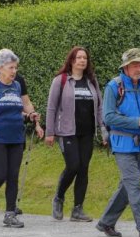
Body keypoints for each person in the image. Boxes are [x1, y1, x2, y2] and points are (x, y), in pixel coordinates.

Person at [97, 48, 140, 237]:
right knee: (134, 185)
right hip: (122, 144)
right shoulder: (113, 87)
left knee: (127, 186)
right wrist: (138, 122)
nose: (138, 68)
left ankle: (106, 222)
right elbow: (108, 116)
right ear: (125, 67)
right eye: (134, 65)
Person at [0, 49, 43, 228]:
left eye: (15, 68)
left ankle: (10, 214)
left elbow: (19, 109)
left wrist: (31, 115)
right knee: (0, 174)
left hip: (16, 137)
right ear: (1, 67)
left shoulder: (17, 86)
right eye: (11, 67)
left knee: (13, 176)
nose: (14, 71)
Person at [44, 46, 104, 222]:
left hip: (87, 132)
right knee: (73, 166)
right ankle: (59, 197)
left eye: (85, 58)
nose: (82, 61)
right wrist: (50, 132)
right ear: (72, 60)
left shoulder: (91, 81)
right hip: (67, 131)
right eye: (79, 57)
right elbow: (51, 107)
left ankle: (78, 209)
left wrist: (103, 130)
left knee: (84, 169)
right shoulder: (61, 80)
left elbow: (99, 107)